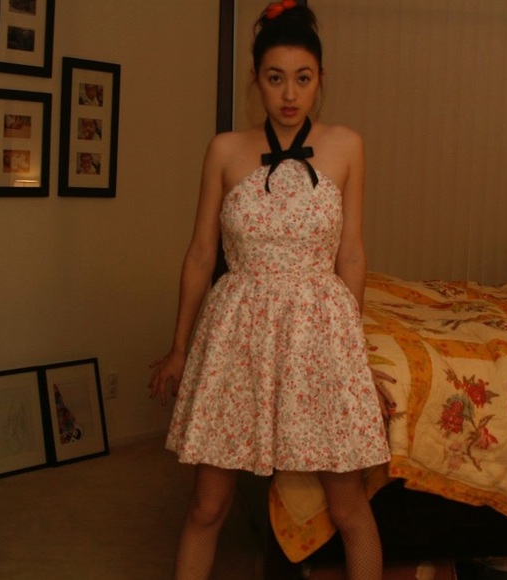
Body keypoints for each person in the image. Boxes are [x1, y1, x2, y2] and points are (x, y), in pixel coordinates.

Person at [149, 2, 392, 578]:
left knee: (349, 507)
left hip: (319, 331)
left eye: (302, 79)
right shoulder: (224, 149)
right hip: (236, 331)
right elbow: (200, 254)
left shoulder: (347, 146)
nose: (289, 94)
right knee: (208, 506)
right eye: (275, 78)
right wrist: (180, 347)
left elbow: (351, 255)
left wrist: (355, 358)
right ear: (256, 79)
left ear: (320, 80)